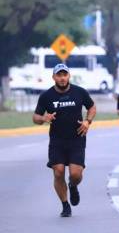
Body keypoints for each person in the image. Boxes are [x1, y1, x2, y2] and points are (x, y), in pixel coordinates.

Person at [33, 64, 96, 217]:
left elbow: (92, 107)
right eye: (59, 75)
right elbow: (35, 117)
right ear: (54, 77)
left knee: (75, 174)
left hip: (77, 139)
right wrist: (44, 118)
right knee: (58, 171)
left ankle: (73, 186)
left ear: (69, 76)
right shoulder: (46, 96)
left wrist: (88, 121)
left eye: (64, 75)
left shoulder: (79, 92)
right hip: (57, 140)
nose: (62, 78)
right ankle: (65, 205)